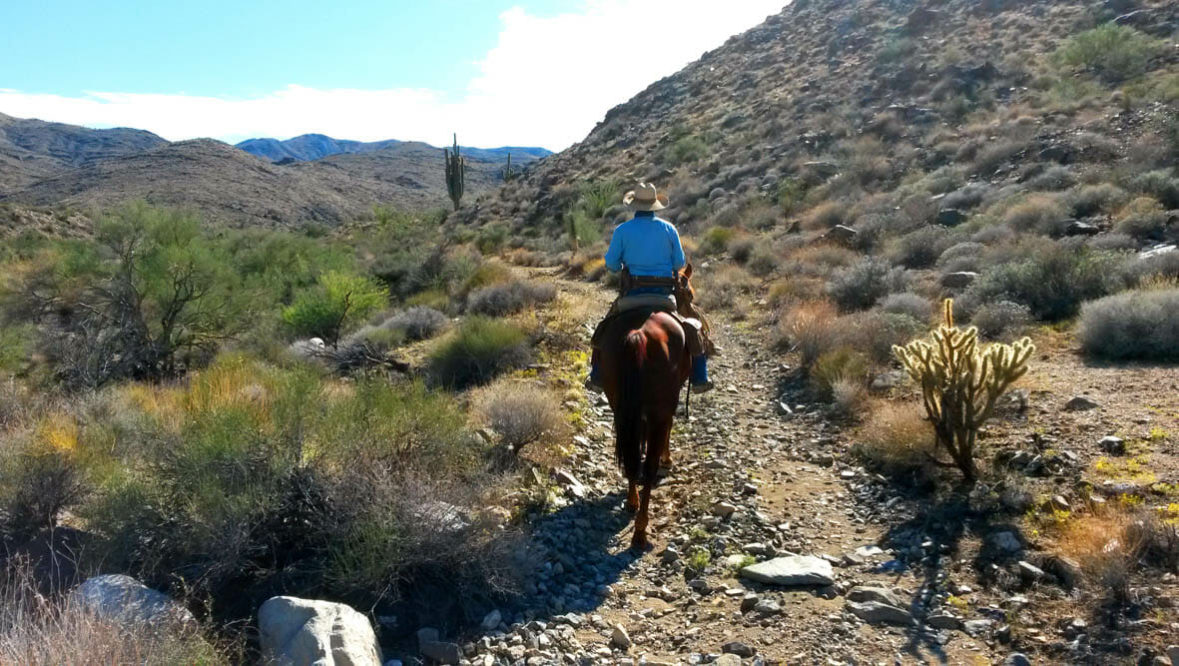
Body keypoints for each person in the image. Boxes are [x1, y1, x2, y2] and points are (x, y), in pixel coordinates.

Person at [586, 183, 714, 393]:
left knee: (604, 329)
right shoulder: (669, 228)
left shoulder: (622, 230)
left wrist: (621, 266)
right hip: (664, 298)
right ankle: (700, 376)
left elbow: (611, 265)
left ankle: (597, 376)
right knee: (692, 327)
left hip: (631, 297)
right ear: (655, 206)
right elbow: (679, 264)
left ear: (634, 206)